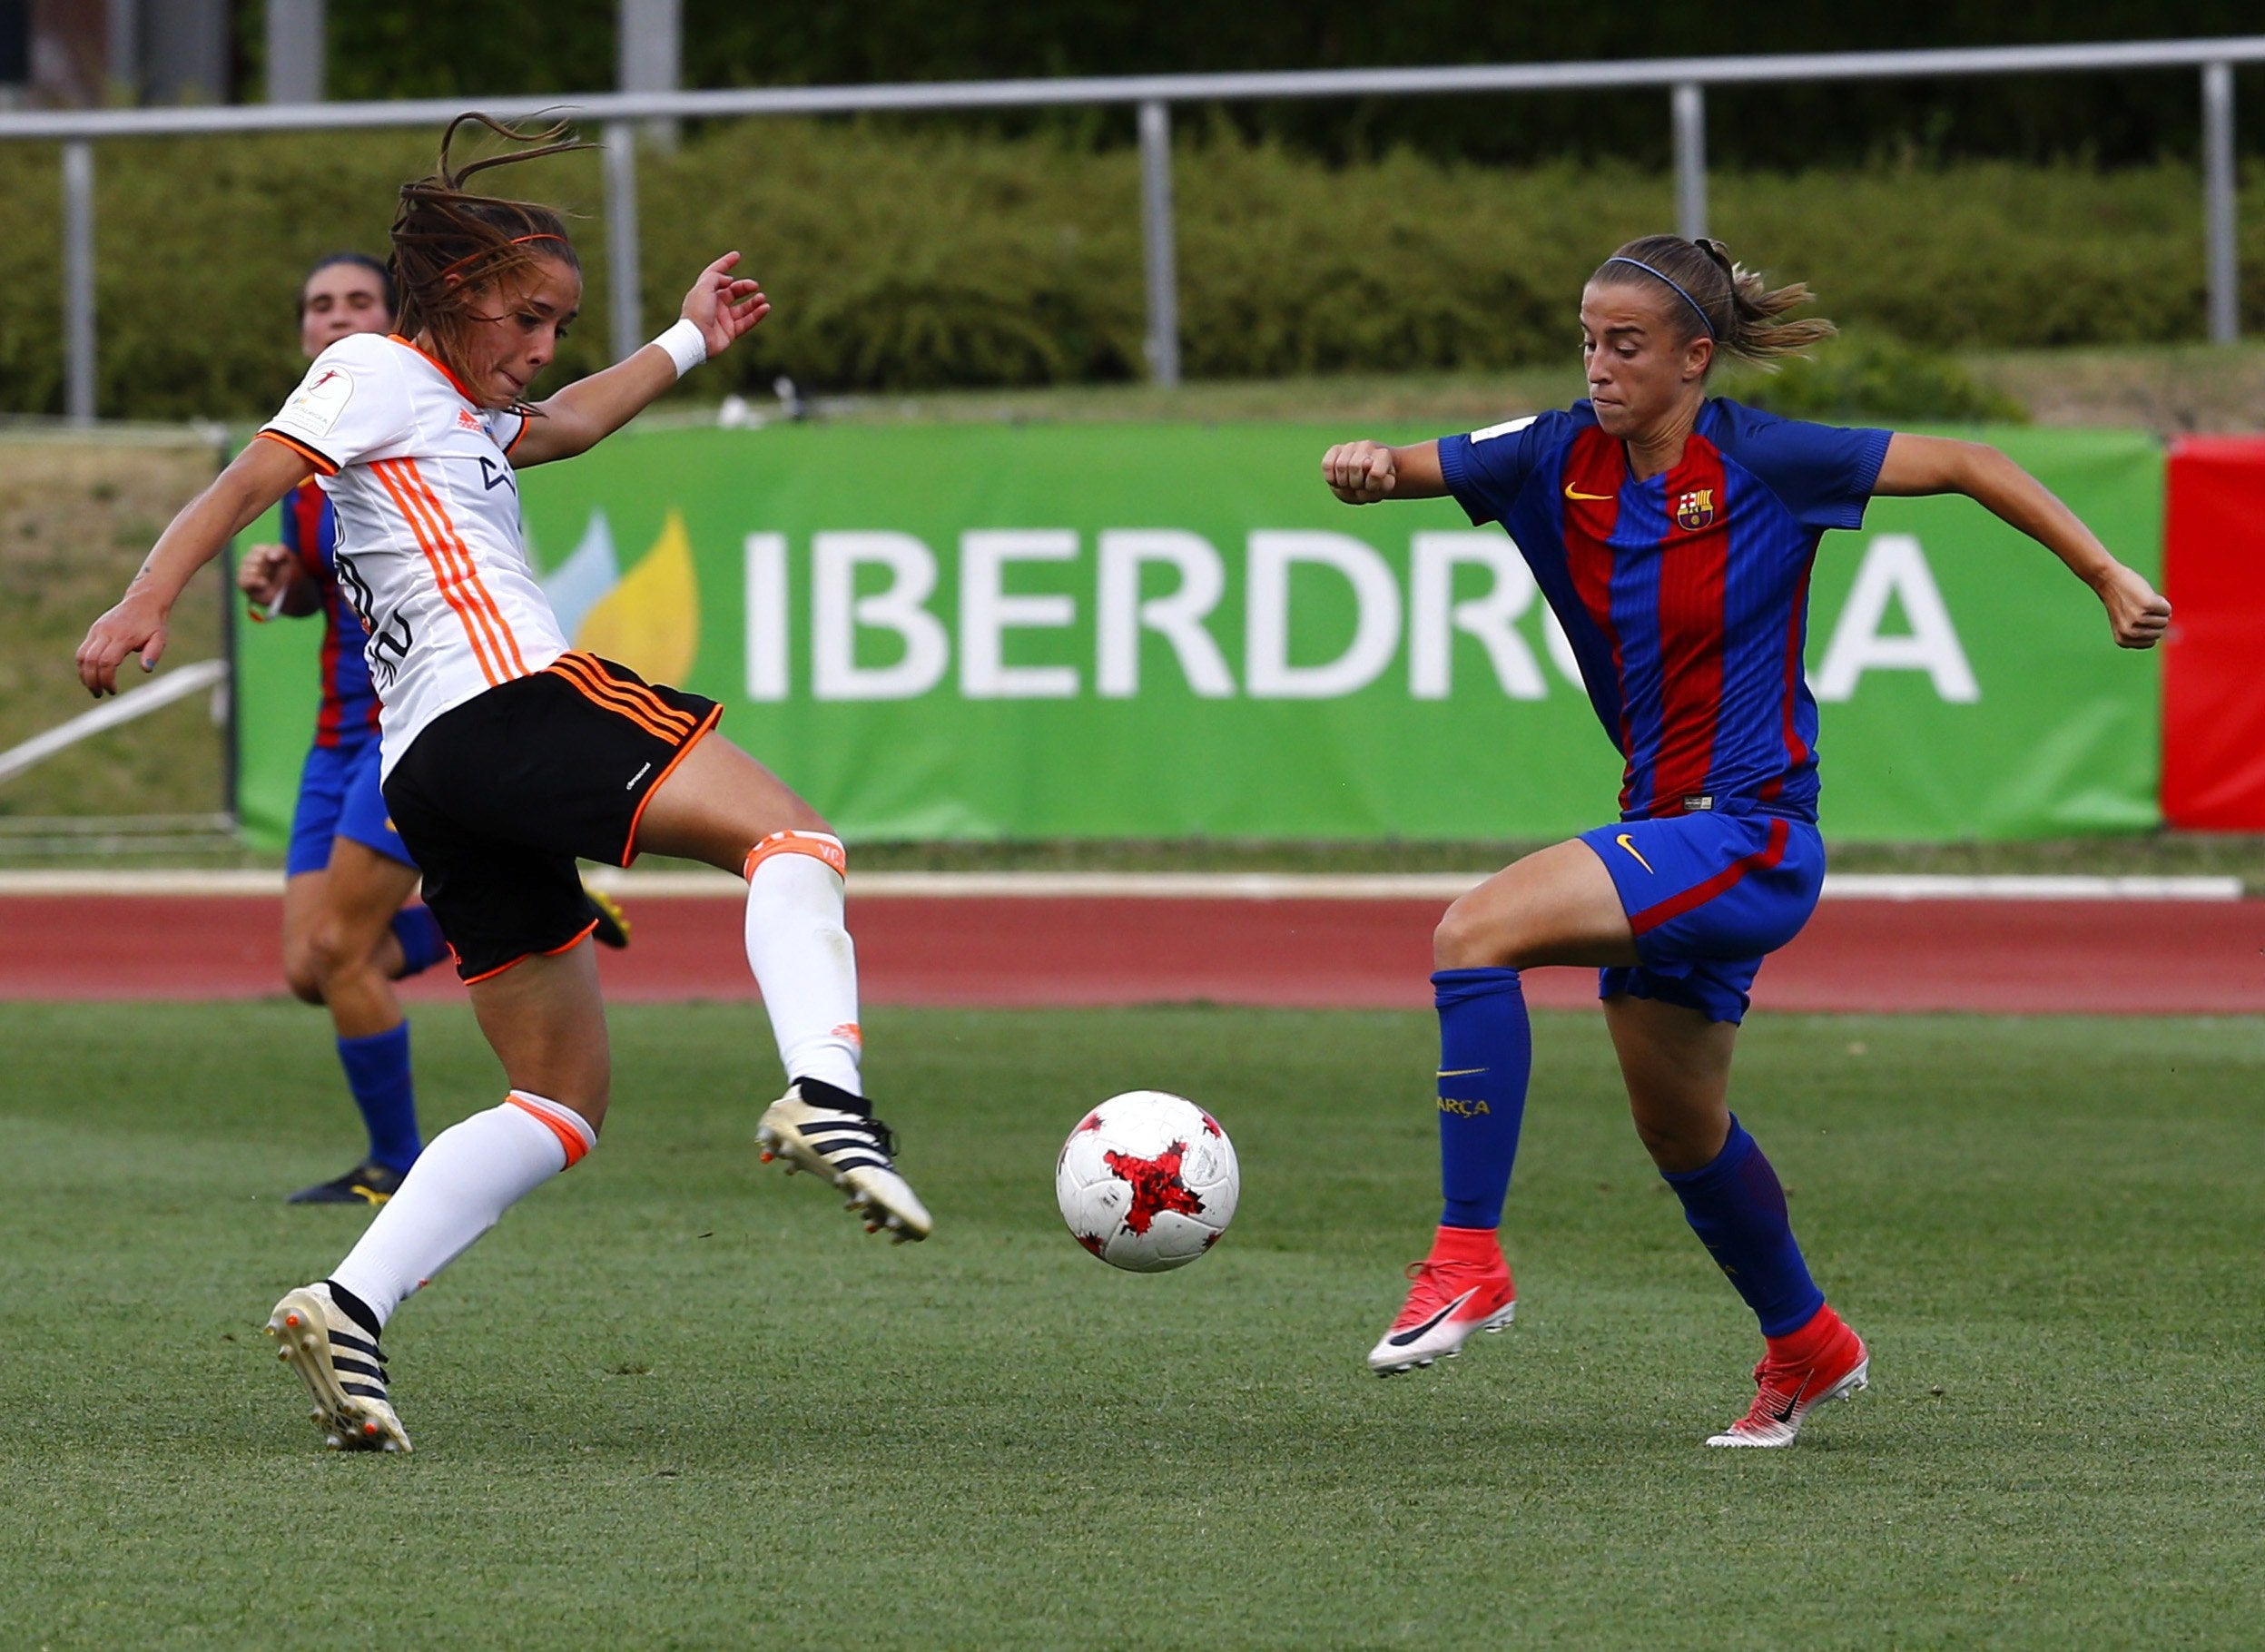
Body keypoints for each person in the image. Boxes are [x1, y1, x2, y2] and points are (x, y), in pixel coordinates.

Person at [78, 115, 930, 1455]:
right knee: (793, 838)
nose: (544, 346)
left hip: (430, 778)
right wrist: (143, 600)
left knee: (557, 1098)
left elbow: (573, 420)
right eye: (528, 318)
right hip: (509, 704)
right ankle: (824, 1092)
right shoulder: (371, 367)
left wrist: (693, 337)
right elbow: (247, 479)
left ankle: (347, 1305)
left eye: (559, 321)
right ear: (458, 294)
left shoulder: (457, 411)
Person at [1322, 233, 2169, 1447]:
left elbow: (1970, 460)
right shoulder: (1548, 453)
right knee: (1677, 1131)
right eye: (1585, 339)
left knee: (1473, 932)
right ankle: (1807, 1345)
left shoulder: (1764, 461)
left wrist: (2102, 573)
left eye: (1623, 345)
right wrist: (1358, 466)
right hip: (1661, 836)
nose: (1597, 365)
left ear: (1693, 358)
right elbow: (1395, 467)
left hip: (1749, 835)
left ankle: (1466, 1258)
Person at [238, 251, 628, 1207]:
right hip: (332, 744)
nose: (336, 318)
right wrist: (284, 584)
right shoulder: (306, 456)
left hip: (408, 728)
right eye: (319, 304)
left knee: (341, 949)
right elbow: (328, 590)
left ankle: (394, 1159)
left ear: (396, 318)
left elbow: (563, 426)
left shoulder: (425, 411)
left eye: (357, 302)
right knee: (310, 966)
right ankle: (557, 913)